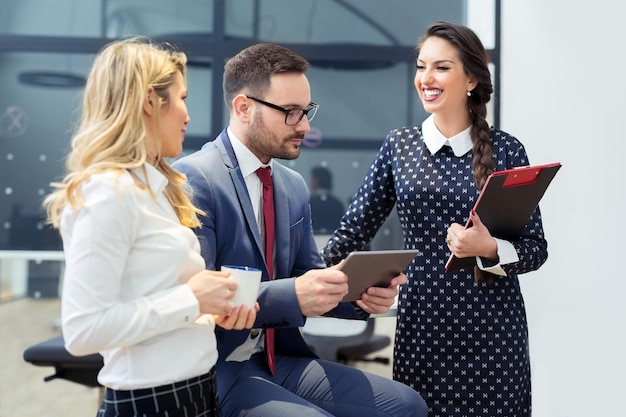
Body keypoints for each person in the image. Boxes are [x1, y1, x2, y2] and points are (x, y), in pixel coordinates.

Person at [172, 43, 427, 417]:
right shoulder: (195, 178)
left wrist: (357, 296)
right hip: (219, 367)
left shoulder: (292, 186)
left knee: (407, 405)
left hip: (279, 358)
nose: (305, 125)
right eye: (291, 112)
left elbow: (306, 278)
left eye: (306, 111)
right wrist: (295, 293)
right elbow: (203, 299)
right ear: (244, 107)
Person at [321, 21, 548, 417]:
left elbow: (536, 249)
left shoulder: (507, 150)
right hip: (422, 334)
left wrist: (489, 248)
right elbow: (353, 232)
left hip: (495, 339)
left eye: (441, 67)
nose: (426, 78)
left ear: (472, 79)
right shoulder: (399, 146)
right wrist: (312, 279)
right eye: (421, 66)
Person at [43, 37, 257, 417]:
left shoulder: (158, 190)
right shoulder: (107, 192)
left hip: (195, 390)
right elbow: (82, 330)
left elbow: (153, 299)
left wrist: (211, 310)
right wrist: (192, 299)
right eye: (181, 98)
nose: (187, 115)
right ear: (149, 102)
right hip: (150, 402)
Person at [309, 166, 345, 233]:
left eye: (312, 178)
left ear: (317, 180)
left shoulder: (309, 203)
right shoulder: (337, 203)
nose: (310, 181)